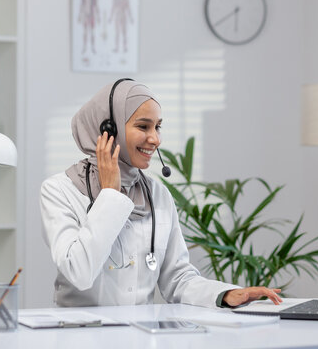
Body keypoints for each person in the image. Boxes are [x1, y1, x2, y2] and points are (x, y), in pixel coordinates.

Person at [40, 79, 282, 308]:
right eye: (143, 126)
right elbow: (79, 273)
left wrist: (225, 294)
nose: (155, 139)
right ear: (108, 130)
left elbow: (177, 278)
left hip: (139, 336)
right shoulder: (60, 190)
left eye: (158, 127)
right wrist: (110, 195)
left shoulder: (157, 195)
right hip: (81, 336)